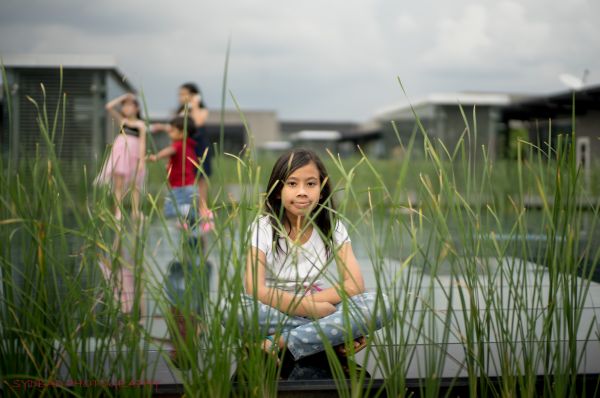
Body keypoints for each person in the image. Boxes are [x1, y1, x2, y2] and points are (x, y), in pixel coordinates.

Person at [239, 148, 390, 362]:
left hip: (319, 304)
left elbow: (355, 285)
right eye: (292, 183)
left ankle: (279, 341)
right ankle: (329, 336)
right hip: (274, 308)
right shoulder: (262, 227)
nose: (302, 191)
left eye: (311, 184)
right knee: (234, 310)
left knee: (380, 304)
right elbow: (255, 289)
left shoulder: (332, 226)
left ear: (322, 190)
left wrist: (309, 304)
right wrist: (311, 310)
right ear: (276, 190)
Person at [151, 83, 213, 232]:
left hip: (198, 147)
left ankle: (204, 216)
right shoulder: (180, 111)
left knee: (201, 181)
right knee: (188, 182)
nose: (181, 97)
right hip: (184, 150)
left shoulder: (201, 110)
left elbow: (197, 122)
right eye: (180, 94)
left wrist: (195, 104)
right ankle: (187, 216)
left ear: (194, 95)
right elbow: (177, 128)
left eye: (184, 94)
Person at [95, 93, 147, 220]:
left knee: (135, 185)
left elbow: (142, 143)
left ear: (137, 108)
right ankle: (118, 212)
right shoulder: (123, 121)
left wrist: (141, 161)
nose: (126, 108)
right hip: (120, 154)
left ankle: (136, 212)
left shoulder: (141, 125)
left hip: (133, 155)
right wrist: (123, 97)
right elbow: (109, 107)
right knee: (118, 185)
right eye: (124, 106)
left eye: (130, 106)